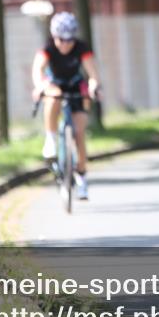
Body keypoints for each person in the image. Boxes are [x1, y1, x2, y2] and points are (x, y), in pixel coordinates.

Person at [31, 11, 102, 200]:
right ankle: (51, 139)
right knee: (53, 95)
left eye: (69, 40)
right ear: (55, 37)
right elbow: (38, 69)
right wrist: (39, 86)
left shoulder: (81, 48)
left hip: (75, 86)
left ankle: (82, 176)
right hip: (55, 84)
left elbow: (93, 73)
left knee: (79, 133)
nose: (65, 44)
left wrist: (94, 86)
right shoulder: (48, 48)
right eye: (61, 40)